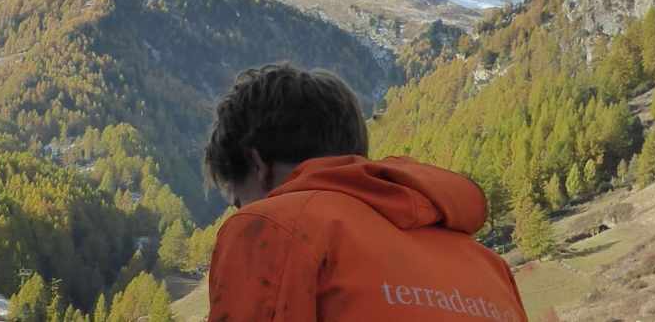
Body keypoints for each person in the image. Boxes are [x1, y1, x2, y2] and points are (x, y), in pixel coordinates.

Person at [204, 64, 528, 321]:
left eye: (238, 201)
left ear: (257, 163)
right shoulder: (487, 264)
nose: (241, 210)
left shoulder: (272, 225)